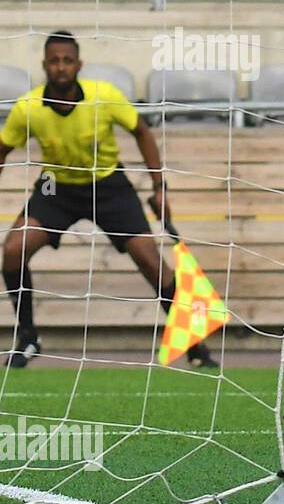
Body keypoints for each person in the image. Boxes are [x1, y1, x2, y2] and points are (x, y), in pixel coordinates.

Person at [0, 30, 216, 369]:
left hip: (109, 184)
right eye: (54, 61)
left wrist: (159, 187)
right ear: (44, 65)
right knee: (13, 249)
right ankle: (28, 336)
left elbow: (141, 131)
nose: (60, 68)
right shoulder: (29, 107)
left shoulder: (105, 96)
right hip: (54, 185)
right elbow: (3, 149)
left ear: (78, 65)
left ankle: (194, 344)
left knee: (151, 262)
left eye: (67, 61)